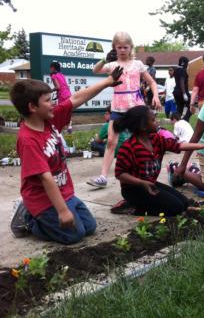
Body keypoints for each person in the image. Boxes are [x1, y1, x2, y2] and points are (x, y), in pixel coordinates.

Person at [9, 67, 124, 243]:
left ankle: (55, 214)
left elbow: (77, 98)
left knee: (89, 227)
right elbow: (46, 177)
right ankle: (28, 218)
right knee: (73, 235)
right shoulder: (28, 140)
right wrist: (62, 211)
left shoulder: (50, 119)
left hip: (64, 192)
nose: (53, 103)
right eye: (48, 100)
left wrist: (108, 82)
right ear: (32, 107)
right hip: (41, 200)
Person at [113, 106, 204, 216]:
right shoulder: (129, 147)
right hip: (133, 189)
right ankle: (133, 207)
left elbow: (178, 146)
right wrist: (142, 183)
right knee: (176, 208)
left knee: (184, 202)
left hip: (150, 184)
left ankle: (140, 204)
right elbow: (120, 174)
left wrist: (203, 145)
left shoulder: (155, 139)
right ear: (143, 126)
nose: (156, 122)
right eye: (153, 120)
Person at [88, 31, 160, 188]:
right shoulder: (112, 65)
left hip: (135, 107)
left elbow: (152, 82)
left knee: (141, 140)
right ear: (115, 47)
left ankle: (146, 171)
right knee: (111, 141)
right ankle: (103, 177)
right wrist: (103, 59)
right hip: (117, 107)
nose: (122, 50)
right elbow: (95, 70)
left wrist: (156, 96)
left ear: (130, 47)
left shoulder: (138, 64)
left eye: (125, 47)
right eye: (119, 47)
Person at [49, 61, 72, 132]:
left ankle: (59, 128)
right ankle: (69, 126)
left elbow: (58, 87)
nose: (50, 69)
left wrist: (50, 90)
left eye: (50, 68)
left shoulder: (53, 76)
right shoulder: (61, 74)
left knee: (60, 112)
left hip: (62, 95)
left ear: (53, 68)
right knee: (68, 111)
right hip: (68, 94)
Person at [173, 56, 192, 122]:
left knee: (179, 109)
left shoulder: (176, 70)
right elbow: (182, 82)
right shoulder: (183, 70)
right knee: (191, 107)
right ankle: (185, 120)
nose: (187, 65)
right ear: (184, 63)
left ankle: (177, 122)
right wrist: (184, 94)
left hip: (176, 92)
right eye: (187, 63)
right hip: (182, 92)